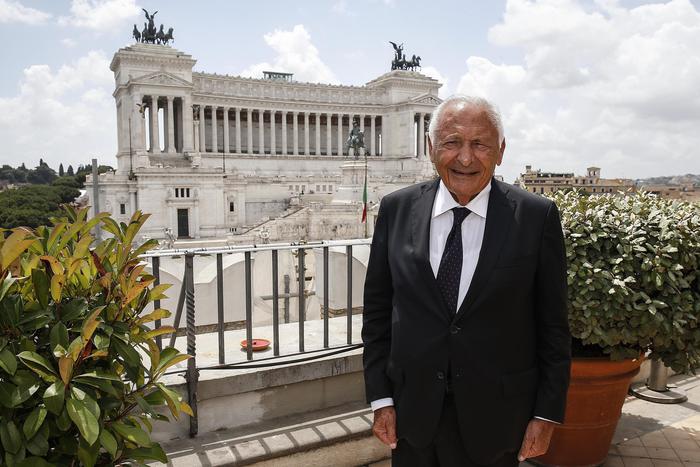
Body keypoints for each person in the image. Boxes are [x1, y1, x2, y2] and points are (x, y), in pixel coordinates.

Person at [361, 95, 571, 466]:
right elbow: (378, 313)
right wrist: (381, 399)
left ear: (501, 151)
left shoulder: (536, 217)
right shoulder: (396, 209)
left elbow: (553, 326)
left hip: (497, 419)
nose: (465, 158)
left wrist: (546, 414)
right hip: (412, 415)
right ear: (431, 147)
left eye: (480, 144)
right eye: (452, 142)